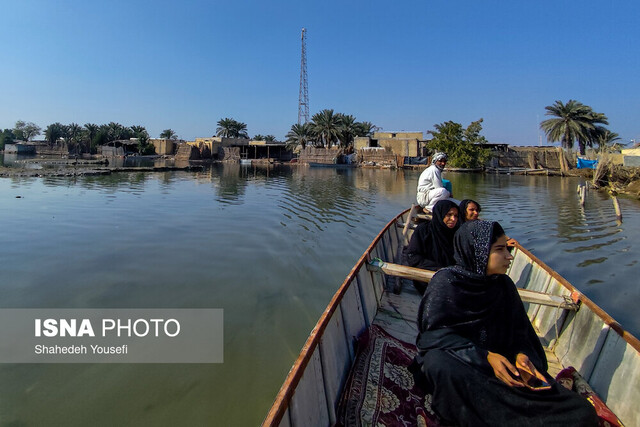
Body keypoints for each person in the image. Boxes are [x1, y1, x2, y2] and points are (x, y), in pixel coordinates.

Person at [414, 220, 598, 426]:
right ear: (478, 251)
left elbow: (520, 335)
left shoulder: (504, 286)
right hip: (465, 365)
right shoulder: (446, 282)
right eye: (500, 249)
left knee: (583, 412)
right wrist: (485, 357)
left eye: (507, 249)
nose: (509, 256)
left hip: (503, 371)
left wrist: (522, 357)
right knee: (438, 364)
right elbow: (431, 337)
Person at [404, 200, 459, 293]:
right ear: (440, 214)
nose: (453, 219)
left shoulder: (457, 233)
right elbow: (413, 257)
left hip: (452, 278)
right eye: (449, 215)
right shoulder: (423, 231)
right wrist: (439, 269)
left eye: (456, 216)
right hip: (428, 279)